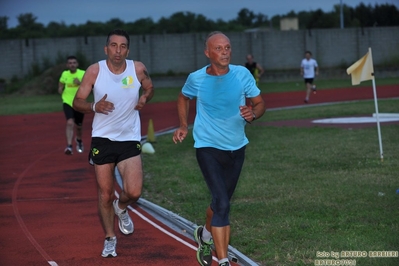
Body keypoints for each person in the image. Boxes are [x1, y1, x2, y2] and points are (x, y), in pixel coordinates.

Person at [173, 31, 265, 266]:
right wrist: (184, 125)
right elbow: (183, 97)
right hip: (208, 147)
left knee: (218, 202)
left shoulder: (242, 74)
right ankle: (222, 260)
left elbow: (260, 103)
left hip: (237, 148)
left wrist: (252, 114)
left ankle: (204, 236)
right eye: (218, 49)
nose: (224, 52)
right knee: (223, 204)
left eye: (227, 48)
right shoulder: (197, 79)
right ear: (207, 53)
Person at [72, 29, 154, 258]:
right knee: (105, 194)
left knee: (134, 192)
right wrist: (93, 107)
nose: (118, 51)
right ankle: (110, 238)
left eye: (123, 46)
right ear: (106, 48)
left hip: (129, 138)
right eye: (114, 46)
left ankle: (122, 207)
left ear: (128, 49)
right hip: (103, 139)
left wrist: (145, 97)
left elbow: (149, 87)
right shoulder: (95, 71)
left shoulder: (137, 69)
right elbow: (77, 101)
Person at [58, 55, 86, 155]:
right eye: (70, 63)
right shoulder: (65, 74)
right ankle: (69, 146)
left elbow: (89, 87)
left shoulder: (82, 73)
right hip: (67, 102)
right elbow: (61, 83)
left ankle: (79, 140)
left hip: (79, 103)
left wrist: (80, 83)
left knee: (79, 126)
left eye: (74, 63)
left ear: (77, 64)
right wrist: (60, 89)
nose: (72, 65)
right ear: (67, 65)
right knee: (70, 122)